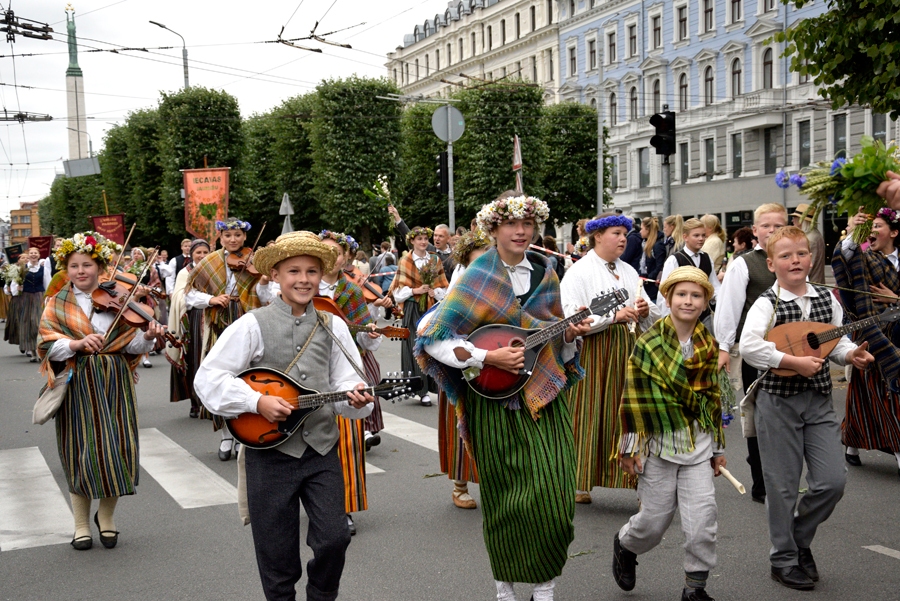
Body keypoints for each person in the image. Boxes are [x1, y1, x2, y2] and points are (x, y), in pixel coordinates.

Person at [417, 192, 591, 601]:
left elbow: (552, 339)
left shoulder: (547, 272)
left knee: (556, 493)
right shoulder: (476, 276)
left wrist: (567, 336)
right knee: (505, 499)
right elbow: (433, 337)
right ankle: (506, 588)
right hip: (494, 403)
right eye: (512, 224)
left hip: (544, 398)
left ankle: (544, 584)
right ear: (493, 229)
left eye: (528, 224)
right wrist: (486, 355)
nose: (521, 231)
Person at [194, 231, 374, 601]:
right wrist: (256, 403)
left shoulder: (333, 324)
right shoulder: (251, 324)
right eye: (294, 271)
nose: (304, 279)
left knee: (334, 538)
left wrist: (357, 400)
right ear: (275, 275)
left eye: (312, 271)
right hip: (269, 454)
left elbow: (347, 381)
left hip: (321, 450)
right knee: (276, 554)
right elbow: (208, 377)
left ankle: (321, 596)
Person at [740, 225, 873, 591]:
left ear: (810, 258)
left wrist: (852, 355)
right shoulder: (767, 302)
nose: (794, 260)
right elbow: (749, 346)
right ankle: (783, 559)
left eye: (800, 253)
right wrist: (791, 360)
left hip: (817, 399)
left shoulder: (827, 298)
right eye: (785, 255)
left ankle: (798, 538)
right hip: (777, 401)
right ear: (772, 263)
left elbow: (836, 339)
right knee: (782, 487)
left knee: (832, 481)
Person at [37, 232, 165, 551]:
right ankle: (81, 523)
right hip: (78, 381)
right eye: (74, 266)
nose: (81, 271)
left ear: (100, 267)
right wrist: (76, 344)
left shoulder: (119, 300)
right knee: (79, 451)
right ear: (65, 270)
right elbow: (45, 344)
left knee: (117, 450)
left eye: (87, 265)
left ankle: (105, 518)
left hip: (114, 381)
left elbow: (131, 344)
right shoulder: (56, 302)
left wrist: (149, 337)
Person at [612, 266, 726, 601]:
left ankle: (695, 588)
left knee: (703, 520)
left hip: (699, 448)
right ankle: (625, 544)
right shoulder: (648, 344)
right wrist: (630, 448)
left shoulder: (708, 344)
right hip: (659, 447)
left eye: (696, 295)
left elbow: (712, 399)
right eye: (681, 294)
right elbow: (632, 398)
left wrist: (718, 447)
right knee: (653, 523)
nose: (688, 301)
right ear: (668, 298)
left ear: (705, 303)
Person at [561, 213, 660, 502]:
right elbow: (573, 316)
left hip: (631, 349)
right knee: (590, 413)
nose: (623, 239)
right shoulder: (579, 273)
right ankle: (580, 478)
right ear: (598, 236)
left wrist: (644, 310)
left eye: (624, 233)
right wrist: (612, 316)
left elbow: (653, 310)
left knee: (631, 414)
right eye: (616, 233)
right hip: (595, 352)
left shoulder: (628, 270)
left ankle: (637, 481)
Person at [715, 203, 787, 503]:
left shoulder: (791, 259)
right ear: (755, 231)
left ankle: (783, 476)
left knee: (785, 417)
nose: (773, 231)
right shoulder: (745, 263)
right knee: (760, 416)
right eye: (766, 226)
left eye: (779, 225)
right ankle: (761, 481)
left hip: (790, 348)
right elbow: (729, 306)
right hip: (755, 351)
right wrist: (723, 345)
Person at [186, 217, 275, 460]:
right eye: (228, 236)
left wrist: (264, 281)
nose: (233, 240)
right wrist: (211, 300)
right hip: (220, 324)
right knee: (221, 378)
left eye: (237, 235)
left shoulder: (256, 261)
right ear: (220, 238)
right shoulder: (210, 261)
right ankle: (226, 436)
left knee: (250, 379)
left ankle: (247, 434)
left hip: (251, 322)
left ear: (245, 237)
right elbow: (188, 294)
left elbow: (266, 296)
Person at [422, 228, 492, 510]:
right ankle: (460, 484)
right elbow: (435, 329)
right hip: (464, 359)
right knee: (463, 417)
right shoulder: (460, 287)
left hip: (494, 353)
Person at [318, 230, 383, 535]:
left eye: (338, 252)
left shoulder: (353, 292)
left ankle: (343, 507)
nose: (333, 257)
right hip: (308, 373)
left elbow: (363, 340)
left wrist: (369, 336)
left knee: (348, 444)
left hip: (343, 370)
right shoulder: (304, 285)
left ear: (346, 257)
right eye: (326, 250)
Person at [832, 207, 900, 477]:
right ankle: (897, 448)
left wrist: (896, 300)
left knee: (867, 395)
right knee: (885, 393)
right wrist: (854, 230)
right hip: (871, 334)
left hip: (898, 333)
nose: (872, 232)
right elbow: (844, 257)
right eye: (869, 228)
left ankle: (851, 441)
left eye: (878, 226)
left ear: (894, 232)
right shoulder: (865, 257)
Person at [389, 225, 449, 406]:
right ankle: (420, 389)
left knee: (431, 345)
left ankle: (434, 386)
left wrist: (434, 292)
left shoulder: (434, 260)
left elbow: (444, 288)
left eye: (425, 239)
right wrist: (415, 290)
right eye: (419, 239)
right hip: (412, 308)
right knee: (414, 347)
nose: (423, 242)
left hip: (430, 308)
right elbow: (397, 292)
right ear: (412, 241)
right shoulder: (405, 261)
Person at [166, 238, 211, 417]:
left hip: (212, 317)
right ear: (191, 254)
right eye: (198, 252)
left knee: (211, 360)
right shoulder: (185, 272)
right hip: (192, 319)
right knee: (194, 360)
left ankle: (210, 403)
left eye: (205, 252)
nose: (201, 255)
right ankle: (195, 401)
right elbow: (179, 296)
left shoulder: (216, 269)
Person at [657, 219, 721, 326]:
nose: (701, 239)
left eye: (703, 235)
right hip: (681, 315)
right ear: (685, 237)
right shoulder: (674, 260)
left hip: (704, 315)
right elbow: (664, 293)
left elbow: (714, 286)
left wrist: (722, 302)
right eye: (696, 235)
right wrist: (667, 320)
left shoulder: (707, 258)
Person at [19, 247, 52, 361]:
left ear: (38, 255)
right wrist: (18, 288)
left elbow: (48, 284)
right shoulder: (22, 269)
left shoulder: (44, 270)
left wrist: (48, 299)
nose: (33, 255)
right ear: (29, 255)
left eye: (35, 253)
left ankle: (39, 350)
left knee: (37, 323)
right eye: (31, 253)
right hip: (27, 297)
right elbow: (16, 283)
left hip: (39, 297)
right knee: (28, 324)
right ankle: (32, 352)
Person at [791, 203, 826, 284]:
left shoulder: (810, 239)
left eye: (794, 217)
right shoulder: (813, 235)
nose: (792, 220)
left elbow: (807, 267)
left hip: (811, 285)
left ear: (801, 220)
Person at [640, 217, 664, 301]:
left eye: (641, 229)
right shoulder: (646, 244)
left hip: (653, 287)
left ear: (648, 230)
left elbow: (659, 266)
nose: (640, 231)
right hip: (647, 284)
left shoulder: (657, 245)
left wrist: (648, 278)